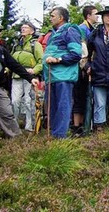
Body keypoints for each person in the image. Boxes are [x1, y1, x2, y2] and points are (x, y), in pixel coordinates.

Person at [42, 7, 82, 138]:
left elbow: (76, 54)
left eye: (53, 16)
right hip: (51, 77)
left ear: (61, 18)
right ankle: (54, 134)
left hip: (63, 76)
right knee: (52, 107)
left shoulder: (70, 31)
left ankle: (60, 136)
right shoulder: (53, 34)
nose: (50, 18)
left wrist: (58, 59)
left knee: (62, 106)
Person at [10, 21, 43, 132]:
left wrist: (34, 70)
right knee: (15, 101)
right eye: (22, 27)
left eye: (26, 27)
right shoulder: (16, 44)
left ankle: (30, 127)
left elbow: (41, 61)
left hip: (30, 76)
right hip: (16, 75)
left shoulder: (35, 44)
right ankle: (13, 127)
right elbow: (10, 60)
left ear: (32, 31)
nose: (23, 29)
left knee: (29, 101)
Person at [71, 5, 98, 136]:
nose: (97, 17)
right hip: (81, 68)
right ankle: (77, 126)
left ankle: (83, 125)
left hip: (89, 67)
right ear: (88, 16)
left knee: (86, 96)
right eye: (95, 14)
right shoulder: (82, 29)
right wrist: (85, 65)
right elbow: (82, 51)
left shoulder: (92, 29)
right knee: (80, 96)